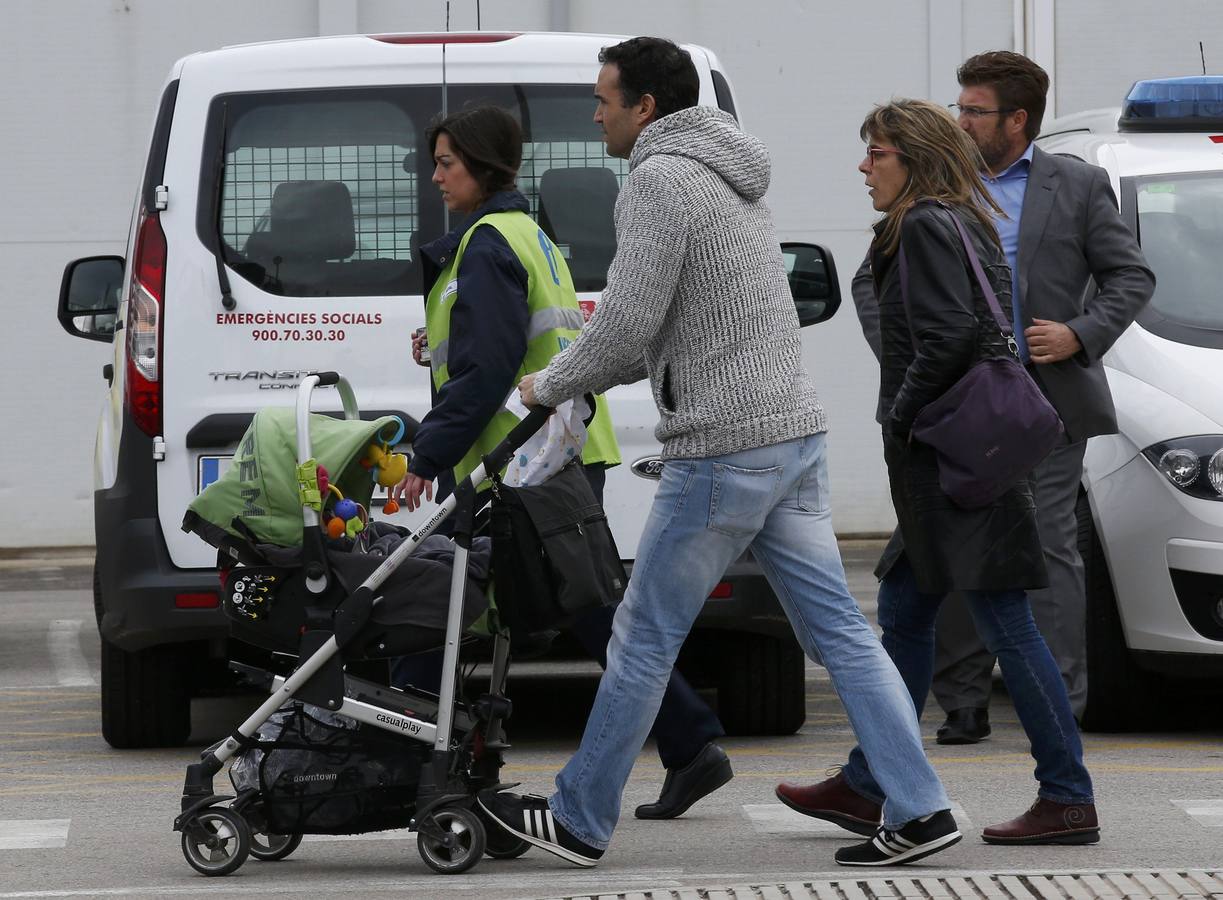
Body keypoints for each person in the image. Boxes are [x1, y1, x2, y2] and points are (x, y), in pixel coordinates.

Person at [478, 36, 959, 870]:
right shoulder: (727, 174)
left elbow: (626, 323)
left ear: (646, 108)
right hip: (793, 435)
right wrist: (594, 367)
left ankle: (581, 818)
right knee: (843, 634)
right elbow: (654, 330)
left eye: (604, 100)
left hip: (725, 447)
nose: (595, 114)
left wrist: (545, 384)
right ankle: (920, 810)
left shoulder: (659, 182)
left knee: (642, 638)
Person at [389, 104, 733, 821]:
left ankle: (415, 750)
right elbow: (500, 344)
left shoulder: (485, 244)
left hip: (531, 462)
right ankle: (687, 740)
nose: (435, 175)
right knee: (567, 608)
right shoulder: (522, 232)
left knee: (479, 602)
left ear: (480, 166)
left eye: (446, 162)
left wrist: (428, 452)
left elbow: (487, 374)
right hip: (555, 452)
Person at [777, 98, 1100, 847]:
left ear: (913, 161)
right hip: (961, 459)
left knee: (1006, 626)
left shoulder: (924, 224)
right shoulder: (968, 219)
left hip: (948, 462)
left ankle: (1067, 796)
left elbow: (951, 335)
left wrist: (902, 412)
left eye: (876, 154)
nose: (863, 167)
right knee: (903, 609)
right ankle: (868, 781)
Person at [927, 51, 1154, 741]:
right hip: (961, 401)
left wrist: (1080, 333)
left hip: (1048, 396)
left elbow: (1130, 276)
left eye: (973, 111)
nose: (959, 120)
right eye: (958, 107)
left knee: (1049, 541)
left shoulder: (1078, 186)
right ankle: (962, 701)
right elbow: (875, 287)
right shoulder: (938, 183)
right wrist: (917, 363)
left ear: (1016, 119)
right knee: (962, 539)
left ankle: (1057, 699)